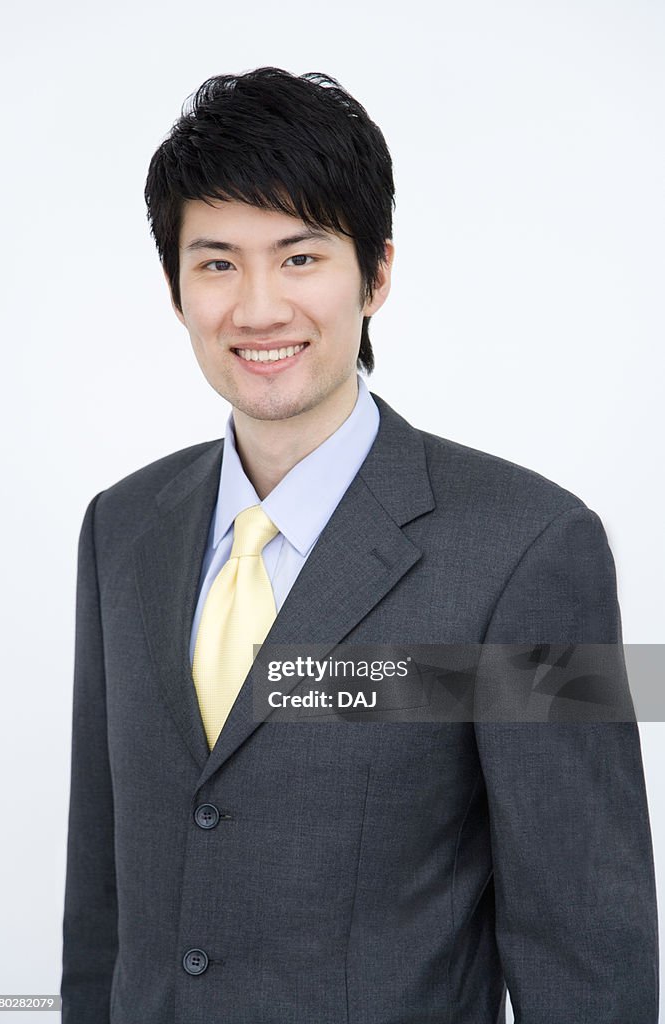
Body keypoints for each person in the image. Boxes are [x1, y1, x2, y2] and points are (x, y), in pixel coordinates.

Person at [60, 67, 658, 1023]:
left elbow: (586, 936)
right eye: (217, 262)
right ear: (175, 288)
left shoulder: (535, 548)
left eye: (300, 258)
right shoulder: (121, 527)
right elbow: (102, 896)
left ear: (376, 273)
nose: (257, 310)